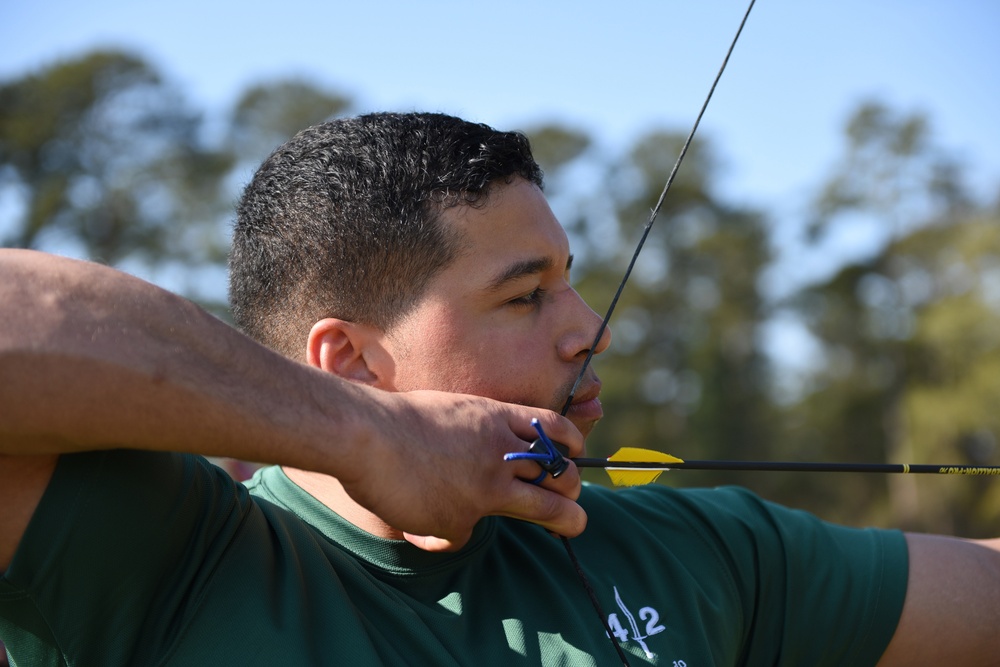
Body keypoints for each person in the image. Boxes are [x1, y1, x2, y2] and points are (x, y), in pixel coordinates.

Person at [0, 112, 997, 666]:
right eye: (524, 297)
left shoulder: (688, 555)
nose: (588, 328)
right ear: (350, 360)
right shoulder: (163, 558)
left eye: (569, 277)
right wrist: (362, 437)